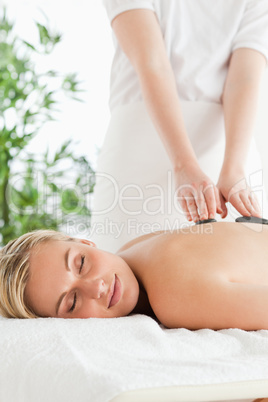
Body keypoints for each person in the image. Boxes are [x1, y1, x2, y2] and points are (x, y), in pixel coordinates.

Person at [90, 0, 268, 253]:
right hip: (140, 145)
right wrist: (183, 164)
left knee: (235, 269)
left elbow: (245, 79)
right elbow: (151, 63)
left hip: (228, 149)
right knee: (122, 265)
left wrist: (234, 170)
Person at [2, 219, 268, 331]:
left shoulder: (173, 296)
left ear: (86, 243)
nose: (97, 287)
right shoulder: (131, 249)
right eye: (72, 302)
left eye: (81, 263)